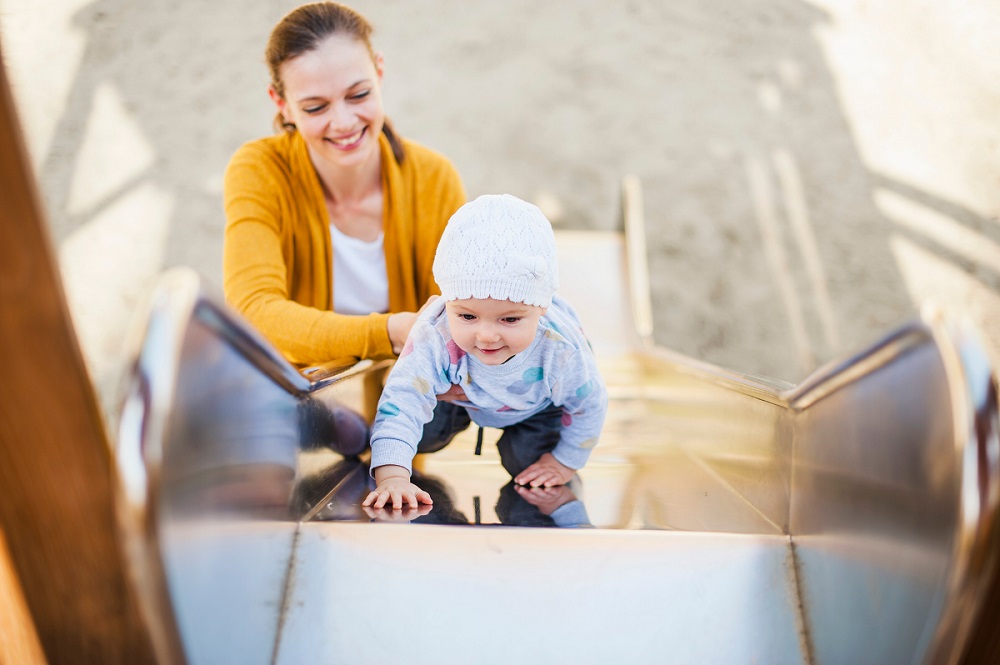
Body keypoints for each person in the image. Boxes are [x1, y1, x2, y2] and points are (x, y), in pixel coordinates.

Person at [223, 2, 466, 367]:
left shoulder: (434, 178)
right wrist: (387, 332)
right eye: (315, 108)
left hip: (415, 411)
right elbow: (255, 312)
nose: (343, 122)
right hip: (298, 412)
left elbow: (461, 314)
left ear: (379, 72)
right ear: (282, 104)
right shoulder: (259, 170)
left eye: (358, 95)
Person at [362, 194, 608, 511]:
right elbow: (403, 400)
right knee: (415, 438)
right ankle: (364, 438)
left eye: (510, 319)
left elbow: (589, 404)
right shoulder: (436, 332)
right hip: (458, 395)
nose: (487, 336)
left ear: (541, 307)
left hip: (535, 407)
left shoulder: (560, 348)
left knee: (528, 465)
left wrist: (564, 462)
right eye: (467, 316)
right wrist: (392, 477)